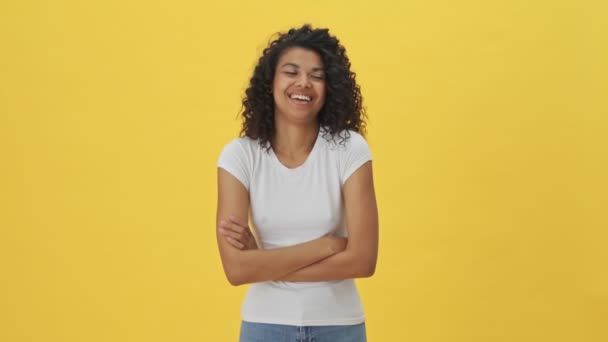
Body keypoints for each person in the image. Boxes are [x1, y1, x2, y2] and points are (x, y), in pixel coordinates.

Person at [216, 24, 379, 342]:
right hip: (265, 326)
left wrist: (263, 263)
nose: (304, 83)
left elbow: (363, 259)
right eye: (291, 72)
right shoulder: (240, 156)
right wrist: (327, 246)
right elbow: (236, 269)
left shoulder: (349, 149)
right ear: (271, 82)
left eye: (317, 76)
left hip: (339, 326)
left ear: (330, 87)